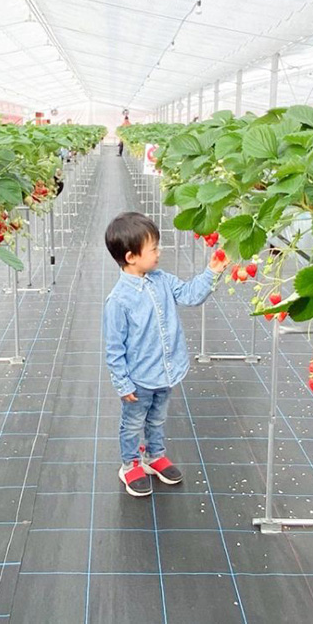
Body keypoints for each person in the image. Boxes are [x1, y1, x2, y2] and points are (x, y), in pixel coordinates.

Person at [102, 212, 227, 496]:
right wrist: (122, 383)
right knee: (133, 422)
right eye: (154, 248)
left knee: (157, 418)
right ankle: (130, 464)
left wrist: (212, 271)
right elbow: (114, 348)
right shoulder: (119, 300)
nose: (159, 252)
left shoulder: (163, 280)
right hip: (139, 379)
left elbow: (191, 295)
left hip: (167, 371)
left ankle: (154, 456)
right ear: (131, 257)